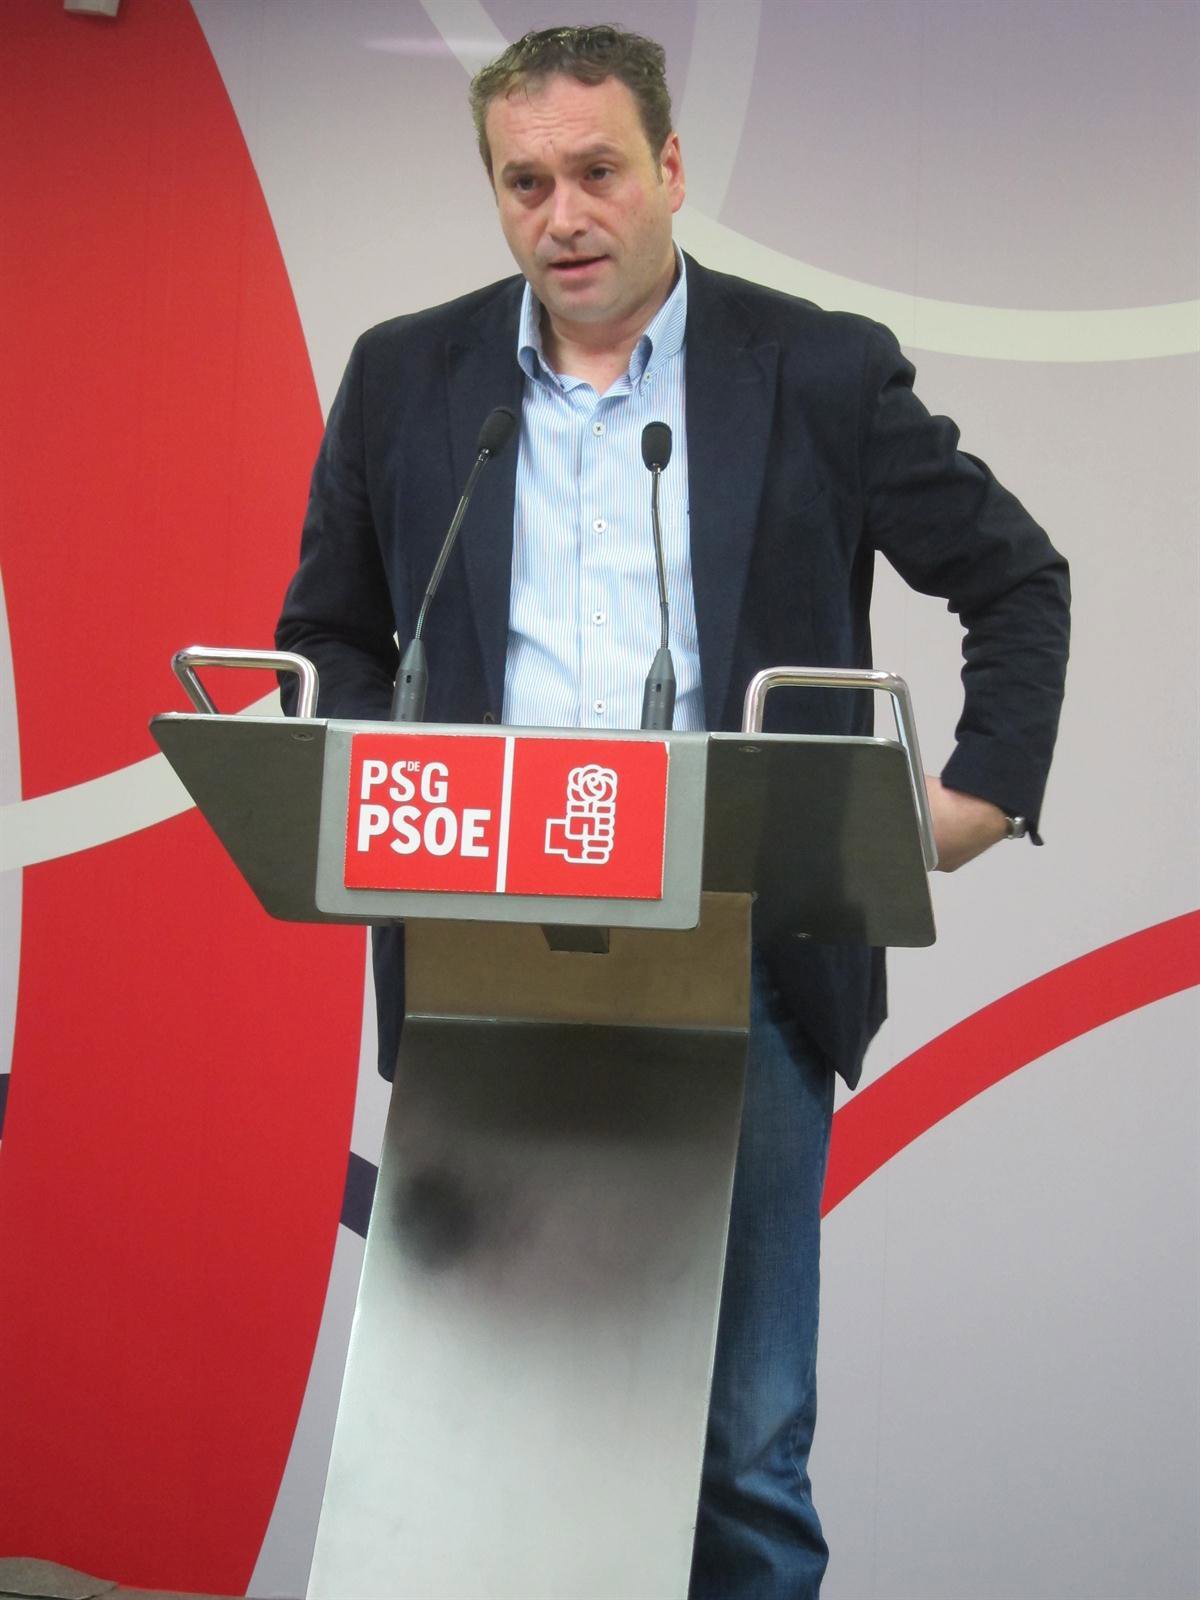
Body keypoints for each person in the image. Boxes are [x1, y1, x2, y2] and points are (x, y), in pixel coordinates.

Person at [277, 24, 1069, 1597]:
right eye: (526, 183)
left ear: (671, 169)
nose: (564, 216)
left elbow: (1016, 579)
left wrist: (979, 792)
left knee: (742, 1445)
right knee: (487, 1421)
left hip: (742, 948)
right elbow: (332, 632)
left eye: (597, 172)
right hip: (484, 950)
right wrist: (386, 780)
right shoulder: (407, 377)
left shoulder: (817, 367)